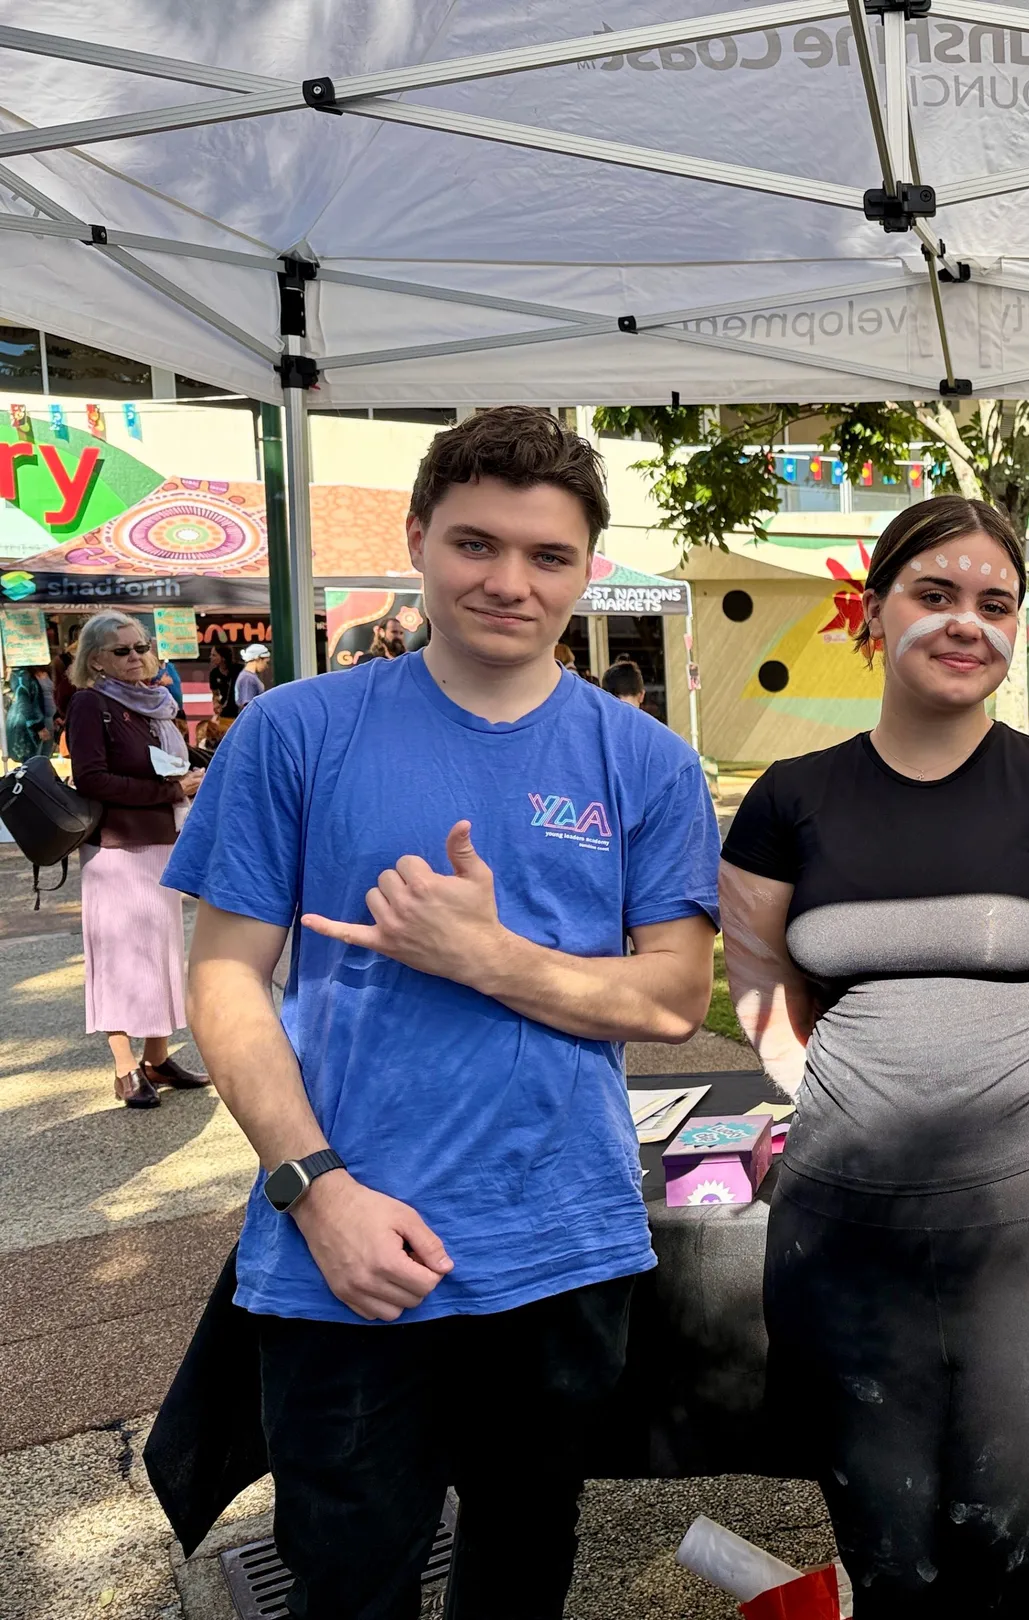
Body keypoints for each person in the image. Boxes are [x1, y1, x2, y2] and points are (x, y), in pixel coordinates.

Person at [165, 407, 721, 1620]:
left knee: (522, 1567)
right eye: (476, 544)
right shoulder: (295, 733)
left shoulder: (647, 763)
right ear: (416, 539)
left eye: (548, 557)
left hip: (564, 1245)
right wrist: (317, 1189)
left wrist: (485, 956)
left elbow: (677, 995)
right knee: (349, 1581)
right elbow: (222, 979)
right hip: (346, 1250)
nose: (509, 583)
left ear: (588, 571)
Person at [720, 494, 1029, 1616]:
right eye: (934, 595)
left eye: (995, 603)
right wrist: (816, 1089)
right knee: (890, 1569)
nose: (966, 622)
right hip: (843, 1236)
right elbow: (760, 977)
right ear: (872, 613)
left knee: (1025, 1577)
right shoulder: (790, 799)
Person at [64, 612, 208, 1108]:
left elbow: (171, 761)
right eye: (122, 651)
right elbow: (91, 779)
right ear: (96, 660)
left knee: (161, 953)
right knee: (122, 957)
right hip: (118, 847)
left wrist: (193, 772)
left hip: (163, 841)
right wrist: (171, 789)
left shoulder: (157, 703)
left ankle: (157, 1056)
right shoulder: (90, 703)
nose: (136, 657)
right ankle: (125, 1066)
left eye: (141, 646)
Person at [6, 661, 55, 762]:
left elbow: (49, 695)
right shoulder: (20, 674)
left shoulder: (42, 668)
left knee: (44, 760)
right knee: (34, 761)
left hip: (47, 720)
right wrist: (37, 726)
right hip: (33, 725)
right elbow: (23, 701)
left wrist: (56, 715)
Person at [204, 642, 239, 716]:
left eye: (214, 655)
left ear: (223, 657)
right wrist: (216, 704)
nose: (211, 657)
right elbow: (215, 694)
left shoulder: (239, 670)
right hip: (224, 712)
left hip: (240, 710)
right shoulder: (214, 674)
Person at [232, 644, 270, 708]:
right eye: (266, 662)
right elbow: (248, 706)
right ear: (258, 659)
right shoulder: (248, 679)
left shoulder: (248, 676)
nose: (266, 666)